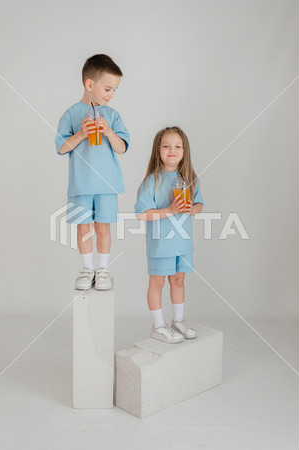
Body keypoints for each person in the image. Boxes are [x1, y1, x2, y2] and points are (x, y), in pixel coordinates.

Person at [55, 54, 129, 290]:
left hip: (107, 185)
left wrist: (108, 132)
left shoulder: (113, 116)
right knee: (84, 227)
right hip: (81, 186)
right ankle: (87, 269)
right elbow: (61, 147)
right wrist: (80, 134)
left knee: (103, 227)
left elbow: (121, 148)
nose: (111, 95)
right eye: (107, 88)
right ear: (90, 84)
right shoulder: (71, 114)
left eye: (114, 90)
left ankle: (102, 270)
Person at [134, 126, 204, 343]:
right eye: (166, 146)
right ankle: (157, 326)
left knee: (179, 280)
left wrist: (193, 208)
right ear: (158, 151)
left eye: (177, 146)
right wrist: (169, 210)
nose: (171, 150)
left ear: (184, 151)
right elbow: (141, 215)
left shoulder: (190, 179)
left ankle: (178, 321)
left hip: (182, 244)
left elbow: (199, 203)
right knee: (157, 283)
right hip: (160, 245)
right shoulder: (152, 181)